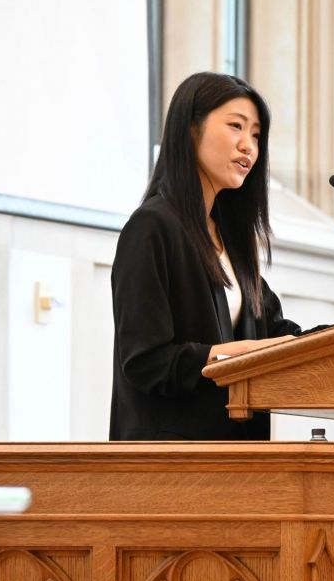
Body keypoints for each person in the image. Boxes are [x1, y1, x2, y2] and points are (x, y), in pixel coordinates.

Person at [110, 71, 309, 441]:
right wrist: (242, 355)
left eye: (256, 136)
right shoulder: (152, 228)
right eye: (236, 126)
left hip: (239, 459)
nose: (248, 146)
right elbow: (146, 361)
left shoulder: (232, 242)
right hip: (174, 463)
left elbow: (278, 333)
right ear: (190, 129)